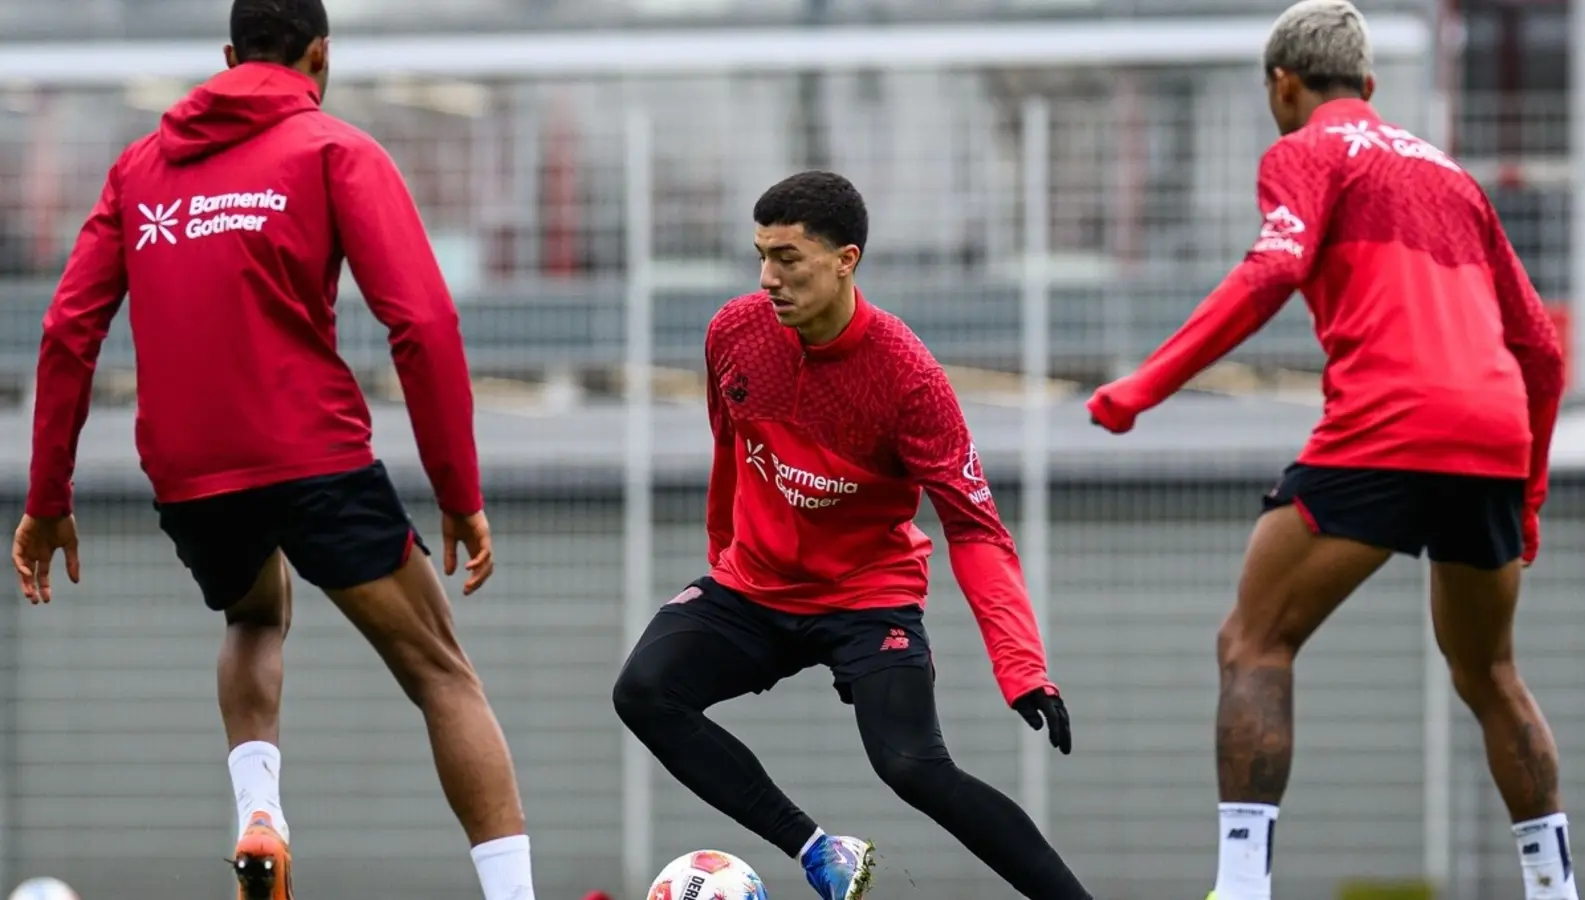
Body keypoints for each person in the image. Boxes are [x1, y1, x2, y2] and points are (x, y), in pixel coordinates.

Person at [10, 2, 537, 899]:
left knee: (254, 617)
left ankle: (261, 813)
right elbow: (421, 320)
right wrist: (458, 489)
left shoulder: (140, 169)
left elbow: (68, 330)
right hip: (314, 452)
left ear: (226, 56)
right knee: (442, 674)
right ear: (320, 54)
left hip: (188, 469)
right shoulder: (333, 149)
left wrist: (47, 498)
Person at [1085, 3, 1574, 899]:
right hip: (1493, 435)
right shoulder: (1452, 177)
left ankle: (1240, 886)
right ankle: (1552, 887)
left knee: (1254, 641)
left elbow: (1272, 269)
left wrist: (1143, 384)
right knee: (1490, 672)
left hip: (1389, 422)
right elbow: (1540, 345)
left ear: (1283, 84)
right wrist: (1530, 493)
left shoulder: (1302, 151)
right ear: (1372, 88)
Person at [611, 169, 1094, 900]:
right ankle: (816, 850)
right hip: (754, 586)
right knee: (643, 692)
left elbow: (976, 531)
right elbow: (726, 450)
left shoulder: (910, 381)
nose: (768, 278)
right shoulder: (734, 332)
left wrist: (1022, 667)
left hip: (866, 602)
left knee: (912, 767)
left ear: (846, 260)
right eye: (761, 256)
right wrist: (723, 560)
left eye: (789, 259)